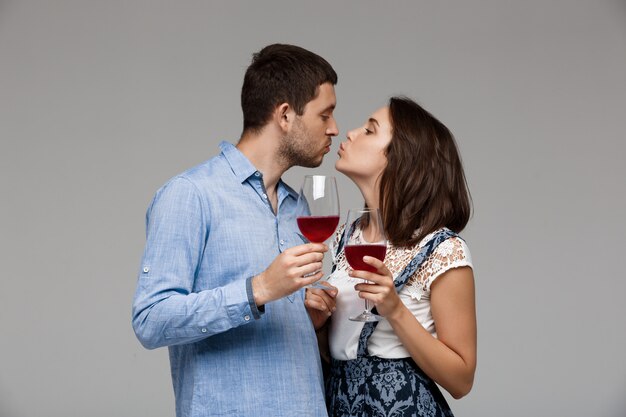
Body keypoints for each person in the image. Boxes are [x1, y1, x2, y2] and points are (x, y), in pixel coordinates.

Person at [132, 44, 340, 417]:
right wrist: (258, 289)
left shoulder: (300, 208)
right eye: (325, 114)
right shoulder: (191, 195)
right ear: (285, 115)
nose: (334, 129)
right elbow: (150, 320)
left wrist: (311, 320)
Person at [305, 96, 476, 416]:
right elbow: (344, 354)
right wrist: (318, 329)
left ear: (401, 159)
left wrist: (395, 310)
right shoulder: (348, 237)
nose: (351, 133)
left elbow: (461, 379)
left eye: (370, 130)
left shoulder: (442, 250)